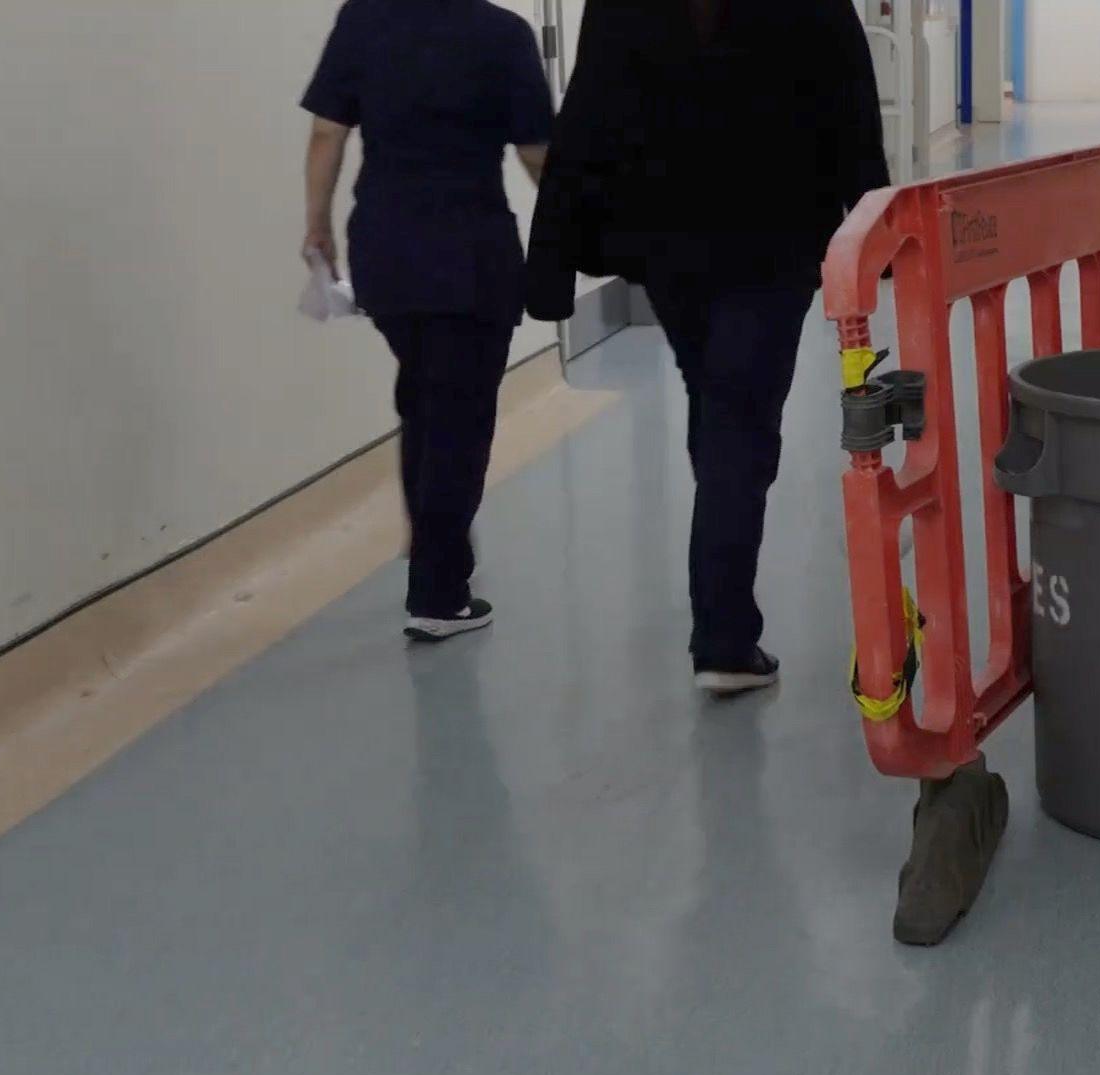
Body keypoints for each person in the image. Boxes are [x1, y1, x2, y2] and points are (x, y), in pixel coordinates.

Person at [525, 0, 891, 693]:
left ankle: (722, 605)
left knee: (721, 402)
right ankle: (724, 638)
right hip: (772, 238)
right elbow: (851, 107)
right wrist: (870, 225)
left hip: (671, 240)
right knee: (740, 419)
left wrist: (553, 255)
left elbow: (587, 114)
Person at [301, 0, 554, 642]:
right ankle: (440, 592)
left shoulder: (363, 19)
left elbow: (328, 132)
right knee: (459, 416)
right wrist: (576, 229)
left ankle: (428, 543)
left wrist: (316, 226)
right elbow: (535, 153)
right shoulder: (501, 34)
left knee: (423, 394)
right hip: (470, 250)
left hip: (383, 244)